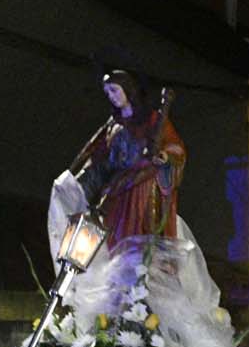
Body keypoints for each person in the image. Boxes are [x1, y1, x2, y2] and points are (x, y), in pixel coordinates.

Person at [70, 69, 186, 245]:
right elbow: (98, 159)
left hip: (143, 186)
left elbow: (174, 146)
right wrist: (77, 186)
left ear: (128, 89)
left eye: (114, 90)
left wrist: (164, 156)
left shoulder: (153, 119)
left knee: (139, 237)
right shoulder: (113, 125)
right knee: (112, 238)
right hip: (117, 189)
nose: (111, 96)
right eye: (107, 92)